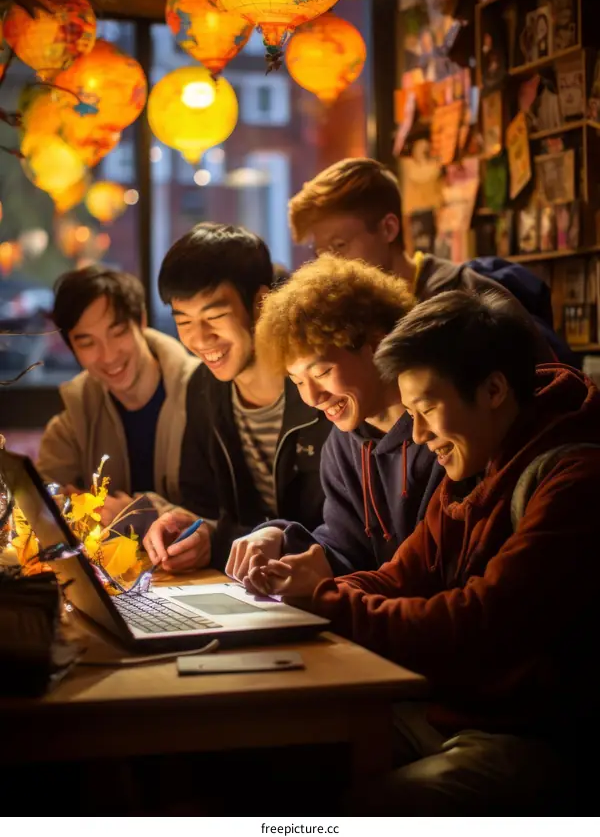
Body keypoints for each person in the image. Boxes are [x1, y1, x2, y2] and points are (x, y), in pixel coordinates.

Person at [250, 290, 600, 813]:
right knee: (277, 757)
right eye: (410, 413)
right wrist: (303, 594)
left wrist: (323, 602)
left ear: (495, 389)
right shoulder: (476, 461)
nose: (417, 434)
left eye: (428, 409)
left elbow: (476, 621)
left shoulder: (573, 479)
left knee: (359, 810)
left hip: (531, 739)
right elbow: (397, 576)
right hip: (450, 712)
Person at [226, 254, 443, 587]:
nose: (312, 397)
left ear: (377, 344)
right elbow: (347, 551)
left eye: (322, 372)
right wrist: (280, 538)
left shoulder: (442, 433)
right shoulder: (342, 445)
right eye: (296, 380)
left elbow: (432, 575)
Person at [142, 223, 331, 574]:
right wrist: (190, 533)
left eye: (214, 316)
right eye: (183, 321)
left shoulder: (320, 384)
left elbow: (349, 533)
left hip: (326, 588)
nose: (200, 339)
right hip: (245, 589)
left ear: (260, 303)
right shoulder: (203, 387)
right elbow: (204, 509)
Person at [288, 156, 575, 364]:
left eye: (340, 245)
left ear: (389, 228)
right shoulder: (354, 312)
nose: (329, 265)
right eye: (320, 253)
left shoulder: (461, 297)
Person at [38, 266, 198, 526]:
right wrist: (69, 507)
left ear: (141, 321)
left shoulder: (203, 393)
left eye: (118, 331)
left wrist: (140, 516)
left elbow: (231, 518)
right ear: (73, 350)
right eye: (88, 343)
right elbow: (38, 505)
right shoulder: (75, 418)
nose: (109, 355)